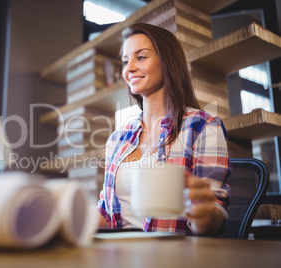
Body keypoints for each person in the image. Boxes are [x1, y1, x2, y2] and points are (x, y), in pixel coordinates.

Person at [97, 23, 231, 236]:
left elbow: (212, 216)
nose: (128, 68)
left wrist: (201, 213)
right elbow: (106, 213)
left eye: (140, 57)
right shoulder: (117, 139)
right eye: (125, 61)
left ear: (167, 61)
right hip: (117, 254)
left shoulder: (204, 126)